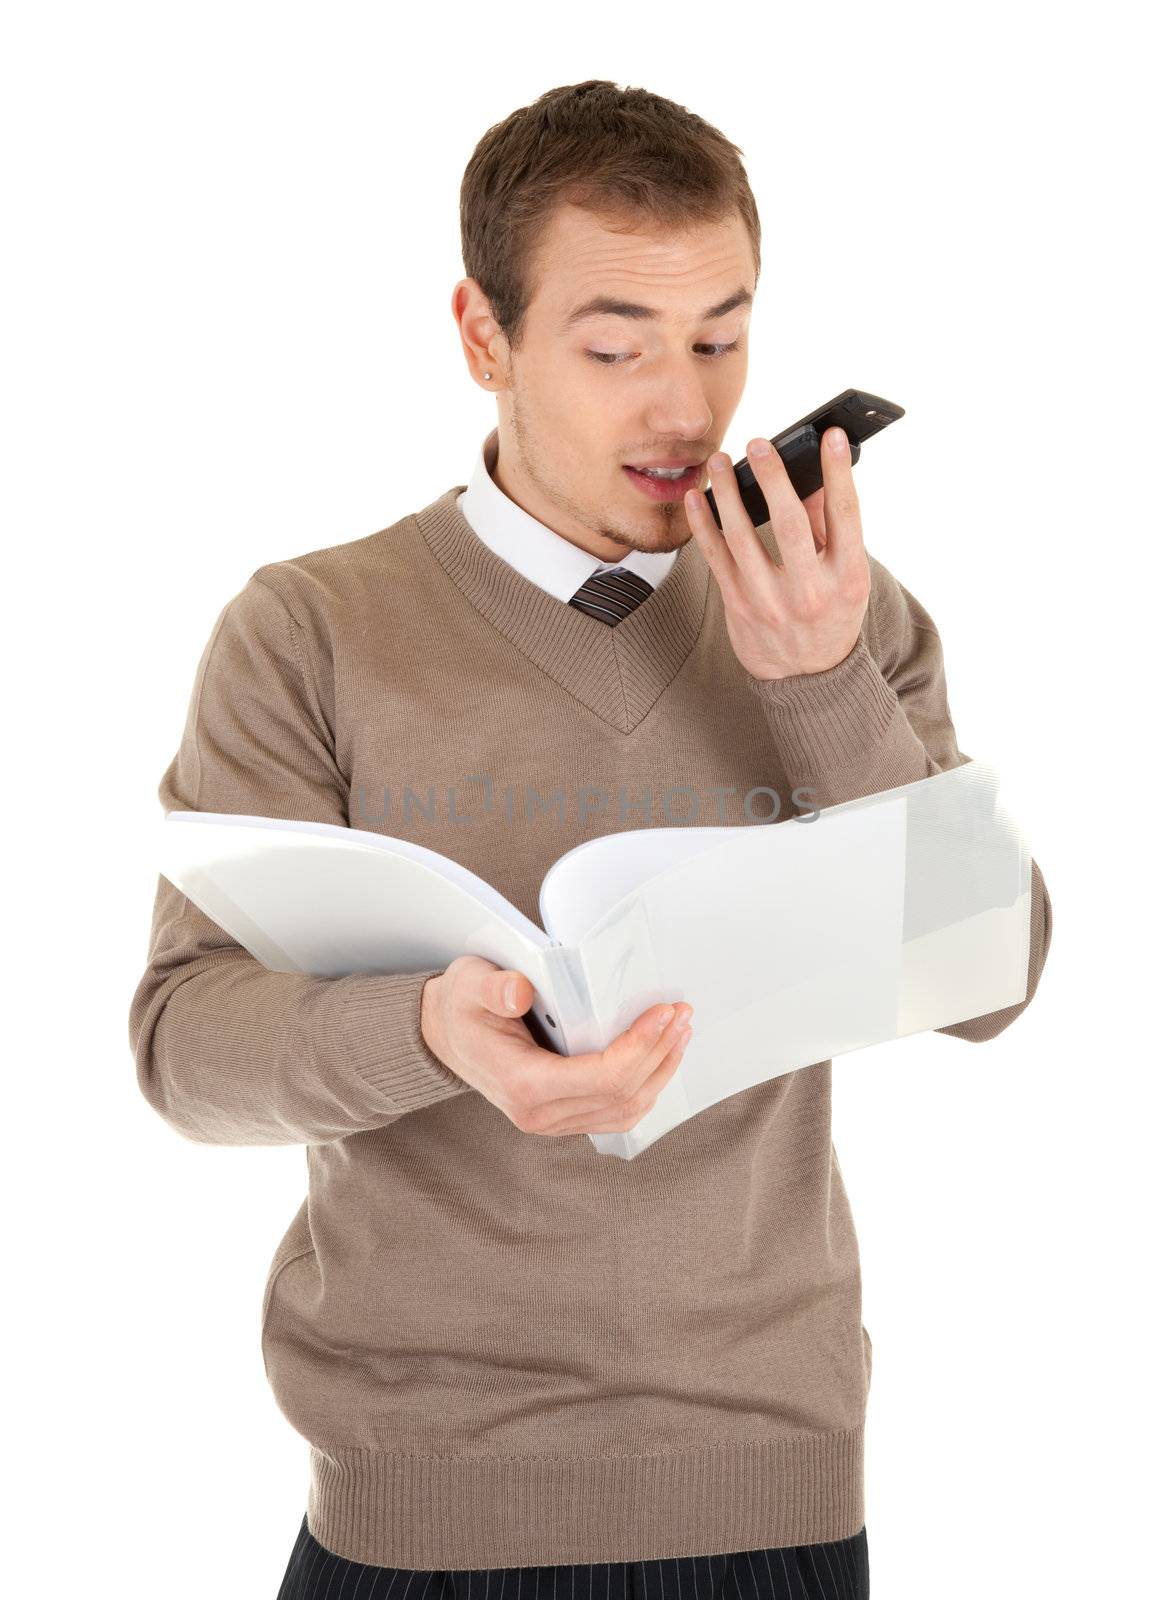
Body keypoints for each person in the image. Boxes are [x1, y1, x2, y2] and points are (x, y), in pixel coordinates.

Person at [129, 79, 1052, 1599]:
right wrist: (428, 1032)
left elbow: (990, 982)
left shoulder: (838, 608)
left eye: (721, 337)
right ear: (482, 338)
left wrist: (822, 690)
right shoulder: (309, 630)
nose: (686, 409)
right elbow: (182, 1050)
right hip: (419, 1508)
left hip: (772, 1494)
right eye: (617, 347)